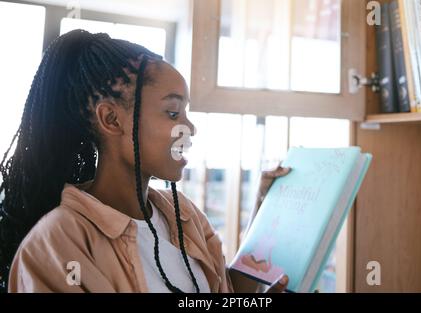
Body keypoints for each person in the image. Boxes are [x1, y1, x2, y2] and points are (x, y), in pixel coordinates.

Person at [0, 30, 290, 293]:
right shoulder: (57, 243)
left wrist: (265, 206)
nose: (190, 128)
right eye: (173, 113)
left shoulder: (184, 216)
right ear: (111, 119)